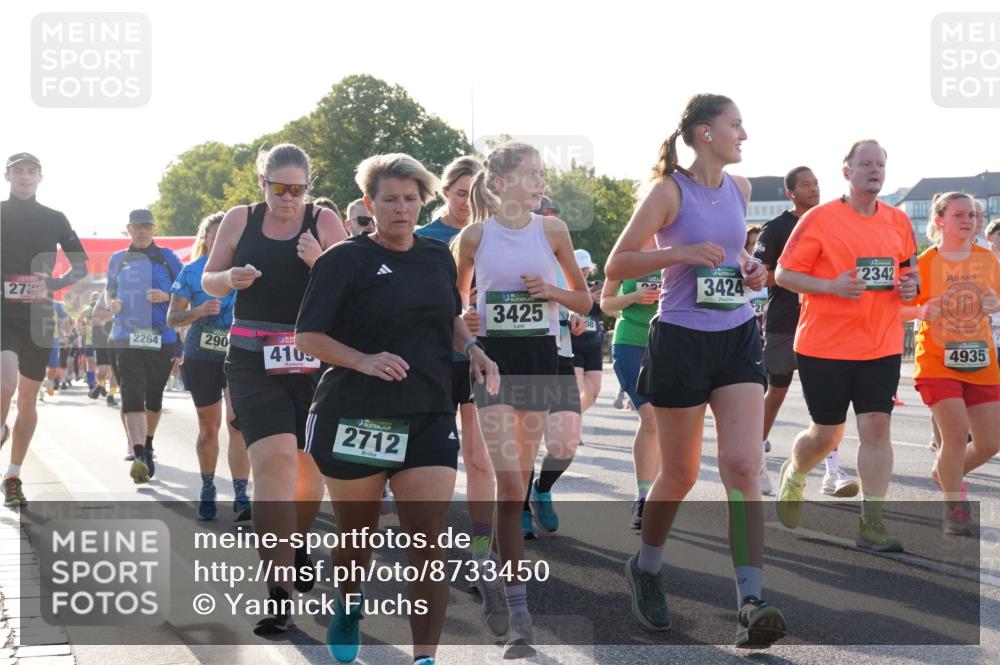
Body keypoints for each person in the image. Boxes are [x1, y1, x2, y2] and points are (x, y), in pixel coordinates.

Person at [296, 152, 498, 665]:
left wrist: (473, 350)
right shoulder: (343, 260)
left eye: (411, 199)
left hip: (427, 411)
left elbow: (450, 315)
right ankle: (349, 601)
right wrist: (363, 360)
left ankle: (425, 657)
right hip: (355, 415)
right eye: (390, 199)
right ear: (370, 203)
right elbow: (308, 337)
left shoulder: (436, 256)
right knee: (356, 539)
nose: (402, 209)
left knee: (426, 542)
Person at [606, 93, 786, 648]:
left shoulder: (741, 188)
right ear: (705, 133)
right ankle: (648, 567)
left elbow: (732, 257)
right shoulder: (668, 191)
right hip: (680, 338)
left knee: (742, 465)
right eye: (736, 125)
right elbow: (616, 265)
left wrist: (751, 268)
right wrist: (678, 255)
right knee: (680, 474)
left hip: (735, 337)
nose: (744, 135)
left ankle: (750, 602)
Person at [202, 143, 345, 635]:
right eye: (278, 188)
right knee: (275, 462)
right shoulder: (240, 219)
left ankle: (298, 539)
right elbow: (209, 280)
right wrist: (230, 277)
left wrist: (319, 261)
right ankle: (278, 592)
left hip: (314, 359)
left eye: (297, 189)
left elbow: (352, 285)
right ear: (261, 183)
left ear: (309, 188)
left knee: (309, 466)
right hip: (251, 358)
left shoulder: (324, 222)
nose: (288, 198)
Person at [456, 141, 591, 658]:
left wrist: (552, 294)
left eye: (541, 173)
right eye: (532, 174)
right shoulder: (472, 237)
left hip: (538, 362)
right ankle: (520, 616)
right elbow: (455, 304)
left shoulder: (552, 230)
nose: (541, 182)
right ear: (503, 182)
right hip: (490, 367)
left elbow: (584, 299)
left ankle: (491, 569)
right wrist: (466, 327)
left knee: (515, 493)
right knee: (509, 481)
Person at [774, 139, 919, 553]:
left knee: (876, 427)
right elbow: (784, 273)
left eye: (880, 165)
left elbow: (910, 271)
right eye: (866, 164)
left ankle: (871, 523)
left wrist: (912, 285)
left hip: (881, 343)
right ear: (847, 171)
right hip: (825, 345)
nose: (875, 170)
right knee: (827, 434)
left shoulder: (897, 221)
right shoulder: (820, 219)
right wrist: (830, 286)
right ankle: (796, 473)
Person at [414, 157, 501, 598]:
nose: (469, 203)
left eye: (477, 194)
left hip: (479, 360)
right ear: (445, 192)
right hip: (433, 363)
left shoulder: (498, 237)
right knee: (433, 464)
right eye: (462, 193)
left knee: (481, 460)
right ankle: (429, 553)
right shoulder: (425, 238)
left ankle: (481, 555)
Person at [752, 167, 858, 498]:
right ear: (791, 193)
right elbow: (760, 275)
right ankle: (756, 461)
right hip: (785, 322)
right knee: (777, 393)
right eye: (806, 185)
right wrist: (797, 274)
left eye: (816, 184)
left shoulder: (831, 221)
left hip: (826, 323)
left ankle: (831, 472)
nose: (814, 189)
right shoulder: (777, 227)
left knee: (831, 400)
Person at [903, 192, 999, 534]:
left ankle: (945, 473)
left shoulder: (987, 260)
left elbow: (998, 299)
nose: (969, 221)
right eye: (960, 214)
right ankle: (954, 509)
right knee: (955, 435)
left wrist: (994, 303)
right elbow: (897, 308)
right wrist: (920, 310)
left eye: (973, 215)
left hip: (981, 358)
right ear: (940, 219)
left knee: (990, 442)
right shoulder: (925, 262)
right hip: (937, 360)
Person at [1, 152, 88, 507]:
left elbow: (80, 264)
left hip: (39, 318)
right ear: (7, 176)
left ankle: (13, 474)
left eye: (30, 172)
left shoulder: (54, 218)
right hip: (3, 314)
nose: (24, 177)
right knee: (5, 383)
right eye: (18, 171)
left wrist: (53, 284)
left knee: (27, 399)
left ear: (40, 177)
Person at [168, 212, 252, 524]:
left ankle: (242, 494)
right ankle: (207, 488)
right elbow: (171, 319)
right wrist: (198, 311)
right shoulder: (191, 272)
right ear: (205, 239)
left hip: (239, 355)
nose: (218, 240)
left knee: (237, 425)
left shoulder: (246, 271)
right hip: (201, 357)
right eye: (212, 236)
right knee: (209, 428)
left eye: (224, 235)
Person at [105, 209, 184, 483]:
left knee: (154, 397)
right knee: (132, 393)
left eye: (147, 227)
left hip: (162, 338)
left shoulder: (167, 257)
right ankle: (139, 455)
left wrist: (166, 295)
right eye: (137, 227)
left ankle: (148, 442)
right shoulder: (118, 259)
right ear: (129, 228)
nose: (142, 231)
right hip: (125, 336)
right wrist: (111, 303)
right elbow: (109, 290)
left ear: (153, 228)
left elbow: (185, 291)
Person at [601, 236, 660, 528]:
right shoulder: (625, 254)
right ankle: (643, 497)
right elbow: (606, 302)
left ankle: (658, 495)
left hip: (670, 343)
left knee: (663, 421)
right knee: (650, 417)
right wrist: (634, 298)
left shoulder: (677, 247)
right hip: (630, 342)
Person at [570, 248, 605, 414]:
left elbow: (604, 313)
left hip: (593, 344)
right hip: (573, 344)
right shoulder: (566, 288)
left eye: (586, 267)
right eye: (580, 267)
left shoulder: (596, 287)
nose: (584, 270)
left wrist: (600, 302)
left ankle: (573, 416)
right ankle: (570, 422)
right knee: (574, 392)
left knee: (594, 392)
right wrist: (586, 300)